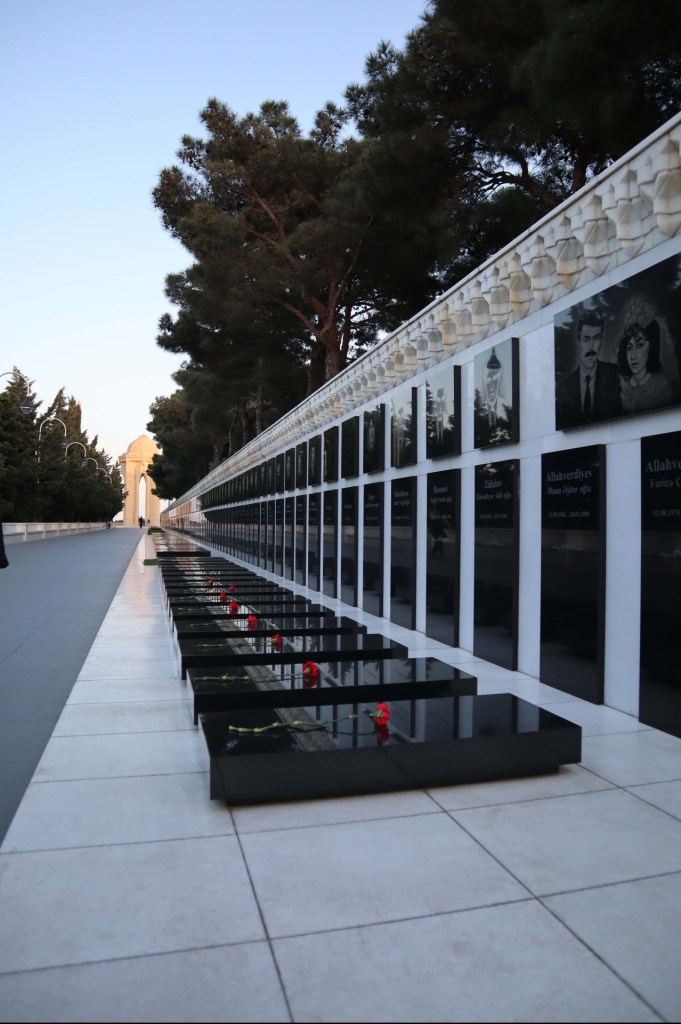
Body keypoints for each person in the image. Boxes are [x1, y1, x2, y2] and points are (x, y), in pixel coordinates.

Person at [555, 309, 621, 429]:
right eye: (586, 339)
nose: (591, 346)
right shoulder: (564, 389)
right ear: (578, 342)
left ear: (601, 340)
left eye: (596, 338)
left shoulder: (615, 376)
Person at [617, 304, 681, 415]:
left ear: (651, 347)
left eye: (640, 345)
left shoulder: (664, 386)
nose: (633, 356)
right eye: (629, 348)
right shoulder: (621, 388)